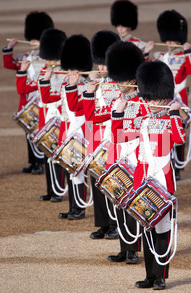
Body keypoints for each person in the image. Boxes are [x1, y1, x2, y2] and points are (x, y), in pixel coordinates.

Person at [111, 60, 187, 290]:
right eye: (150, 99)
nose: (153, 104)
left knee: (162, 230)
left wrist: (175, 114)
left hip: (162, 180)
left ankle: (161, 275)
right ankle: (150, 276)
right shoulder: (143, 120)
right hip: (142, 179)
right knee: (147, 228)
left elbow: (180, 139)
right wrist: (118, 113)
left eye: (157, 99)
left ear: (165, 98)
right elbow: (120, 138)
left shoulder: (168, 120)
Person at [104, 41, 148, 264]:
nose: (118, 83)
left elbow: (135, 134)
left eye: (122, 79)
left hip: (135, 156)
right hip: (119, 155)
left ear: (132, 80)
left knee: (132, 203)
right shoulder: (117, 101)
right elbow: (114, 135)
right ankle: (124, 247)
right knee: (119, 203)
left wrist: (120, 119)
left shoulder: (143, 103)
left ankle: (134, 250)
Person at [41, 34, 92, 220]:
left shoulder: (86, 85)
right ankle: (73, 207)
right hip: (67, 130)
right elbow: (48, 99)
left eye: (74, 68)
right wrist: (45, 80)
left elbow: (76, 108)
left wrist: (72, 85)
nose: (71, 71)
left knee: (78, 172)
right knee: (71, 170)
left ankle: (79, 208)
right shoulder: (66, 83)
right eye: (69, 67)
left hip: (79, 131)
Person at [17, 28, 67, 202]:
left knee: (58, 156)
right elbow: (22, 89)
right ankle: (51, 190)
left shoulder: (65, 74)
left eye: (53, 58)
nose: (50, 61)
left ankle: (59, 191)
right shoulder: (43, 72)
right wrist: (22, 71)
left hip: (58, 118)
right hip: (45, 118)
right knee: (48, 156)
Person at [3, 11, 54, 175]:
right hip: (28, 100)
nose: (32, 41)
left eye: (36, 38)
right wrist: (9, 49)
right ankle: (34, 162)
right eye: (31, 38)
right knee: (29, 132)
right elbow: (9, 64)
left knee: (41, 132)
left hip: (42, 99)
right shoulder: (24, 57)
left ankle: (42, 161)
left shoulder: (48, 59)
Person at [83, 30, 121, 240]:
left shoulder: (119, 85)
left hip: (112, 137)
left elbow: (103, 114)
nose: (101, 68)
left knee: (112, 181)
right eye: (99, 64)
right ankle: (104, 223)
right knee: (96, 180)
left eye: (105, 64)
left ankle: (116, 222)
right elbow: (87, 113)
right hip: (97, 136)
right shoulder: (99, 83)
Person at [154, 9, 191, 180]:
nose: (170, 42)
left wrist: (187, 53)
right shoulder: (161, 55)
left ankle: (178, 166)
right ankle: (168, 164)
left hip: (179, 98)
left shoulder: (185, 55)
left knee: (178, 130)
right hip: (164, 99)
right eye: (168, 38)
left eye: (173, 38)